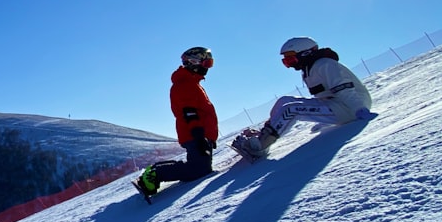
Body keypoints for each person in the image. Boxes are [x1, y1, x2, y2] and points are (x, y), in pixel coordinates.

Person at [231, 37, 373, 159]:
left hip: (350, 107)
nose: (290, 64)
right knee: (284, 100)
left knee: (292, 109)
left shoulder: (325, 65)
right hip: (336, 104)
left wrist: (360, 109)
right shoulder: (309, 69)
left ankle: (260, 147)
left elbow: (344, 89)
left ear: (305, 53)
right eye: (286, 61)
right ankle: (265, 134)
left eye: (291, 59)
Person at [135, 47, 218, 197]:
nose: (207, 68)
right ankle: (155, 174)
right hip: (194, 134)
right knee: (198, 170)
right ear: (193, 62)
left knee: (201, 167)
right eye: (206, 63)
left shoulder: (192, 82)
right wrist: (199, 136)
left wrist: (209, 136)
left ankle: (156, 171)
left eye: (210, 64)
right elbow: (189, 112)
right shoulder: (185, 83)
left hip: (200, 134)